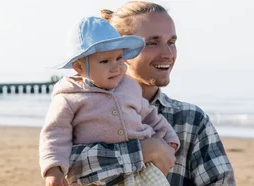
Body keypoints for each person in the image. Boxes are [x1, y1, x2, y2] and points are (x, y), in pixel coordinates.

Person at [68, 1, 236, 186]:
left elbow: (222, 181)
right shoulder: (80, 108)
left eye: (171, 42)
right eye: (152, 43)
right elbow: (66, 167)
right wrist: (144, 150)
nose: (168, 54)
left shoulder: (191, 120)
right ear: (121, 51)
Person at [39, 16, 181, 186]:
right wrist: (53, 169)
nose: (116, 67)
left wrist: (170, 139)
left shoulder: (129, 87)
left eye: (119, 58)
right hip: (100, 175)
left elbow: (150, 115)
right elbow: (55, 134)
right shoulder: (69, 96)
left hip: (143, 169)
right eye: (105, 61)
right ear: (79, 67)